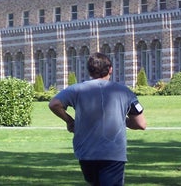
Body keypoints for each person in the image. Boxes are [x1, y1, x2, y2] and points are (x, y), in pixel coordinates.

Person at [49, 52, 147, 186]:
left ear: (89, 71)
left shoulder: (77, 90)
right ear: (111, 69)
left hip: (86, 153)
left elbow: (54, 104)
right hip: (113, 153)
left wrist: (70, 121)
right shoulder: (124, 92)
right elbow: (141, 124)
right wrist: (122, 120)